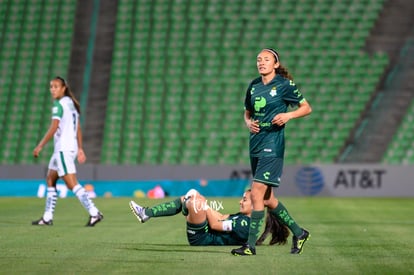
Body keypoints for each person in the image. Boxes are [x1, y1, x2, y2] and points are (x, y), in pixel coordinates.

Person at [231, 48, 312, 256]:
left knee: (256, 192)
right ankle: (299, 232)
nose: (261, 62)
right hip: (255, 143)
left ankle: (250, 246)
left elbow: (306, 108)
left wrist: (288, 116)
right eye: (259, 59)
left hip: (273, 145)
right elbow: (247, 112)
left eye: (266, 59)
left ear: (275, 64)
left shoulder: (284, 85)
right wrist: (248, 123)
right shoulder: (254, 86)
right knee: (267, 199)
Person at [32, 76, 103, 227]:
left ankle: (94, 212)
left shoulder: (58, 105)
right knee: (51, 179)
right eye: (51, 86)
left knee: (72, 185)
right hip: (66, 149)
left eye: (56, 86)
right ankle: (47, 217)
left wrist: (40, 145)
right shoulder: (70, 104)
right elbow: (77, 128)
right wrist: (80, 148)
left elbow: (53, 127)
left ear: (63, 88)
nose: (53, 89)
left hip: (63, 150)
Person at [129, 189, 289, 246]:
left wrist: (203, 207)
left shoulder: (245, 226)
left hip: (202, 238)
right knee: (192, 197)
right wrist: (204, 205)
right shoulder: (242, 218)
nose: (240, 201)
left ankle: (187, 209)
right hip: (206, 231)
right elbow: (220, 216)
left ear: (255, 206)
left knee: (193, 201)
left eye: (244, 200)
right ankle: (146, 213)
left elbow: (215, 224)